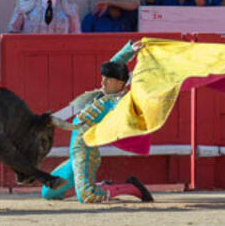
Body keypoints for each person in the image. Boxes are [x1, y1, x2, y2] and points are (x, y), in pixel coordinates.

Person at [42, 39, 154, 204]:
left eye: (107, 79)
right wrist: (130, 50)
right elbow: (115, 64)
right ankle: (98, 185)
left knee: (88, 196)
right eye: (103, 78)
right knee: (49, 192)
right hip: (76, 149)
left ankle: (132, 188)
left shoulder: (120, 102)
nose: (102, 82)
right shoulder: (106, 91)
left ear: (120, 83)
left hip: (86, 149)